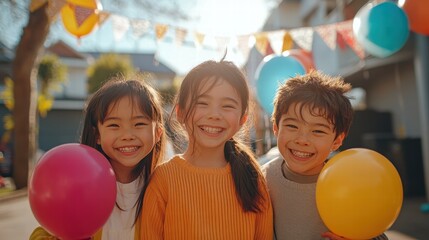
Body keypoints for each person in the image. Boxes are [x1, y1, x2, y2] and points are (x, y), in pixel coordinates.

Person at [141, 60, 273, 239]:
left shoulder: (252, 177)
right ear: (180, 112)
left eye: (227, 106)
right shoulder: (163, 179)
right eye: (202, 103)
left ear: (242, 119)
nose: (214, 115)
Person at [30, 76, 168, 240]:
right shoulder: (79, 182)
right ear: (97, 135)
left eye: (139, 124)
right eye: (114, 125)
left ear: (158, 132)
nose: (127, 135)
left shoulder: (164, 187)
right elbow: (45, 232)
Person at [262, 70, 388, 240]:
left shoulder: (349, 181)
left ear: (337, 140)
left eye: (318, 131)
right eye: (292, 126)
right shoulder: (263, 178)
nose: (302, 140)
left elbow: (376, 232)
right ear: (276, 128)